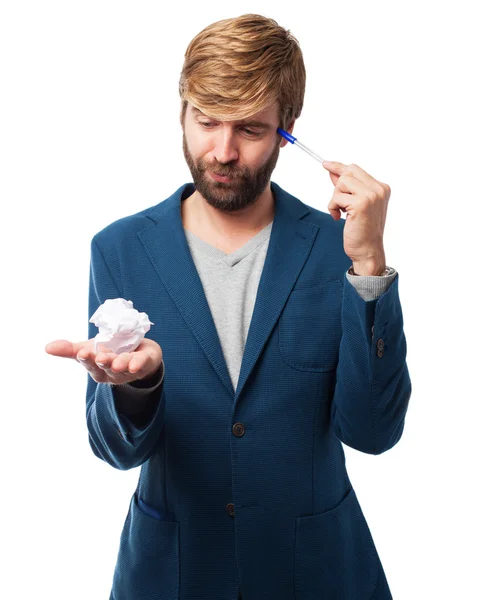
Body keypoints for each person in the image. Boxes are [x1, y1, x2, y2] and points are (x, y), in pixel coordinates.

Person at [45, 13, 411, 600]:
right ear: (182, 115)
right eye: (206, 121)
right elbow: (117, 451)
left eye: (249, 129)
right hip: (174, 572)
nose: (222, 151)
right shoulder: (118, 249)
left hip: (317, 573)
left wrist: (369, 264)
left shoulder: (335, 250)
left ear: (288, 130)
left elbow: (372, 432)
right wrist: (134, 387)